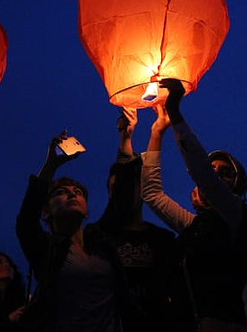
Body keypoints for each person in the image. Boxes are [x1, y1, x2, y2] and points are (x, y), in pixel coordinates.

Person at [141, 79, 247, 332]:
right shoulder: (196, 225)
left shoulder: (237, 216)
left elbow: (202, 173)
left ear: (239, 184)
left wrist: (174, 111)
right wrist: (156, 133)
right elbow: (152, 194)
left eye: (226, 173)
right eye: (214, 169)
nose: (217, 175)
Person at [15, 131, 132, 332]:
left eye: (78, 192)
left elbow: (121, 200)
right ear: (47, 212)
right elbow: (25, 221)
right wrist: (51, 164)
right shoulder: (47, 249)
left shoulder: (100, 241)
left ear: (86, 211)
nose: (71, 194)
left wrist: (125, 139)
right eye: (60, 193)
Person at [98, 108, 191, 332]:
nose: (120, 192)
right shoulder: (98, 237)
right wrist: (125, 138)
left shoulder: (163, 240)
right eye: (114, 189)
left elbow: (179, 294)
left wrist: (153, 133)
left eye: (129, 186)